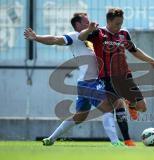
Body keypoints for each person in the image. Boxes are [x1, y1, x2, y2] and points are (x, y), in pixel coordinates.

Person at [24, 13, 135, 147]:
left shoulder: (92, 38)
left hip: (87, 83)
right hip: (90, 82)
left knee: (80, 116)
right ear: (78, 25)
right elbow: (55, 39)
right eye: (86, 22)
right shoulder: (74, 36)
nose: (90, 24)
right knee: (109, 106)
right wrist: (36, 37)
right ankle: (115, 142)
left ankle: (51, 139)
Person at [79, 8, 154, 120]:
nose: (119, 27)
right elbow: (81, 37)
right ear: (108, 21)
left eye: (121, 24)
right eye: (117, 24)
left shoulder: (124, 34)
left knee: (142, 107)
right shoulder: (98, 32)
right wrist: (89, 30)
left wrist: (152, 61)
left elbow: (134, 50)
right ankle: (124, 137)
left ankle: (131, 104)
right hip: (107, 77)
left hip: (125, 76)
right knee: (116, 107)